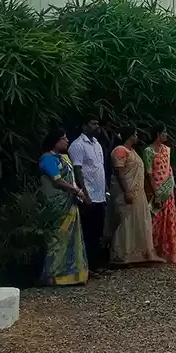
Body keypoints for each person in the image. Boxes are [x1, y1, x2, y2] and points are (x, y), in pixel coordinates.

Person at [38, 129, 89, 286]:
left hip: (69, 202)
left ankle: (72, 273)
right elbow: (57, 180)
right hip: (57, 203)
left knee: (72, 237)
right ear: (55, 141)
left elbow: (70, 179)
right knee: (58, 238)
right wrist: (77, 191)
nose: (67, 141)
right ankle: (53, 274)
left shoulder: (64, 158)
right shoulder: (47, 159)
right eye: (63, 138)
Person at [108, 127, 164, 265]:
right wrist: (127, 191)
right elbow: (120, 173)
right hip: (124, 192)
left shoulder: (133, 152)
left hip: (138, 193)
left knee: (141, 221)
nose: (137, 136)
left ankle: (142, 253)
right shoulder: (120, 150)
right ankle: (122, 255)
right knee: (125, 222)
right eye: (136, 134)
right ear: (130, 136)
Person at [69, 117, 109, 274]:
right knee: (88, 232)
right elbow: (78, 170)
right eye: (93, 124)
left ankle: (98, 264)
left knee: (98, 231)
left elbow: (100, 168)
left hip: (100, 195)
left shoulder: (97, 144)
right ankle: (87, 266)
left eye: (98, 124)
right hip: (88, 195)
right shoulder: (78, 145)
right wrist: (84, 193)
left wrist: (105, 190)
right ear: (84, 126)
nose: (97, 126)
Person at [143, 124, 176, 264]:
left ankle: (169, 252)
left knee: (169, 221)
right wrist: (156, 193)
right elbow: (149, 174)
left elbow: (169, 170)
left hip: (168, 189)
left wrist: (174, 188)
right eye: (164, 132)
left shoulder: (166, 150)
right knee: (155, 221)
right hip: (156, 191)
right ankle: (153, 252)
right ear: (158, 134)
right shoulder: (148, 151)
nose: (166, 135)